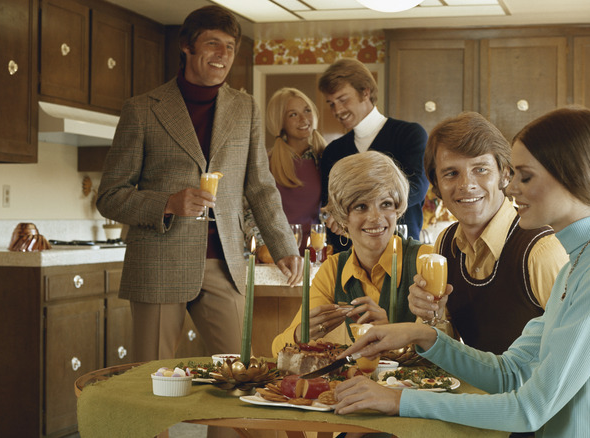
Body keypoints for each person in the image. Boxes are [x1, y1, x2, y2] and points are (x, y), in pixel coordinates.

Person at [333, 107, 590, 437]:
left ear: (570, 176)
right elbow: (510, 372)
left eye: (525, 177)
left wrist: (400, 400)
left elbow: (530, 409)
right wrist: (421, 334)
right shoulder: (582, 261)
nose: (512, 189)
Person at [96, 5, 302, 364]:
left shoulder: (246, 109)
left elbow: (260, 186)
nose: (223, 55)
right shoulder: (142, 110)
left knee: (240, 376)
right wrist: (167, 203)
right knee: (151, 383)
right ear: (187, 47)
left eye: (230, 47)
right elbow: (110, 196)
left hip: (225, 263)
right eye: (212, 44)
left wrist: (283, 244)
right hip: (158, 264)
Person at [409, 112, 568, 355]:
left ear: (505, 174)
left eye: (480, 169)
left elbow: (576, 354)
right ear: (437, 185)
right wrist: (433, 316)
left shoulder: (542, 251)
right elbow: (447, 352)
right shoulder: (445, 244)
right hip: (478, 392)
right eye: (451, 173)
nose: (466, 184)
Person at [271, 151, 434, 354]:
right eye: (361, 206)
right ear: (342, 218)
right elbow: (278, 350)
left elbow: (442, 349)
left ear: (397, 209)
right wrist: (299, 334)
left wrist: (392, 335)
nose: (376, 217)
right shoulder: (333, 269)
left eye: (386, 204)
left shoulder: (426, 261)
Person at [318, 58, 428, 251]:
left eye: (343, 100)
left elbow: (417, 187)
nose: (337, 110)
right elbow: (329, 202)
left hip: (400, 252)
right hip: (348, 256)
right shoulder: (333, 151)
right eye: (331, 103)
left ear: (365, 92)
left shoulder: (409, 135)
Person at [266, 87, 327, 252]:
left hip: (317, 251)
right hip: (277, 252)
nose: (303, 119)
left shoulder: (325, 158)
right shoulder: (266, 162)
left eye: (307, 111)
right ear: (281, 122)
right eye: (293, 114)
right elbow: (252, 212)